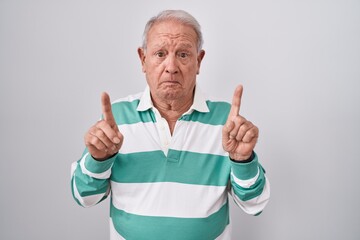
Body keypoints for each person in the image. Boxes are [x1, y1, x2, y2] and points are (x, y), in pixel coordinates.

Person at [71, 9, 270, 240]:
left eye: (183, 54)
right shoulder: (115, 120)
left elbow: (255, 204)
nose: (171, 66)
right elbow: (84, 197)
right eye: (160, 53)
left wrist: (242, 160)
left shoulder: (227, 123)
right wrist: (98, 160)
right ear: (143, 59)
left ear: (199, 61)